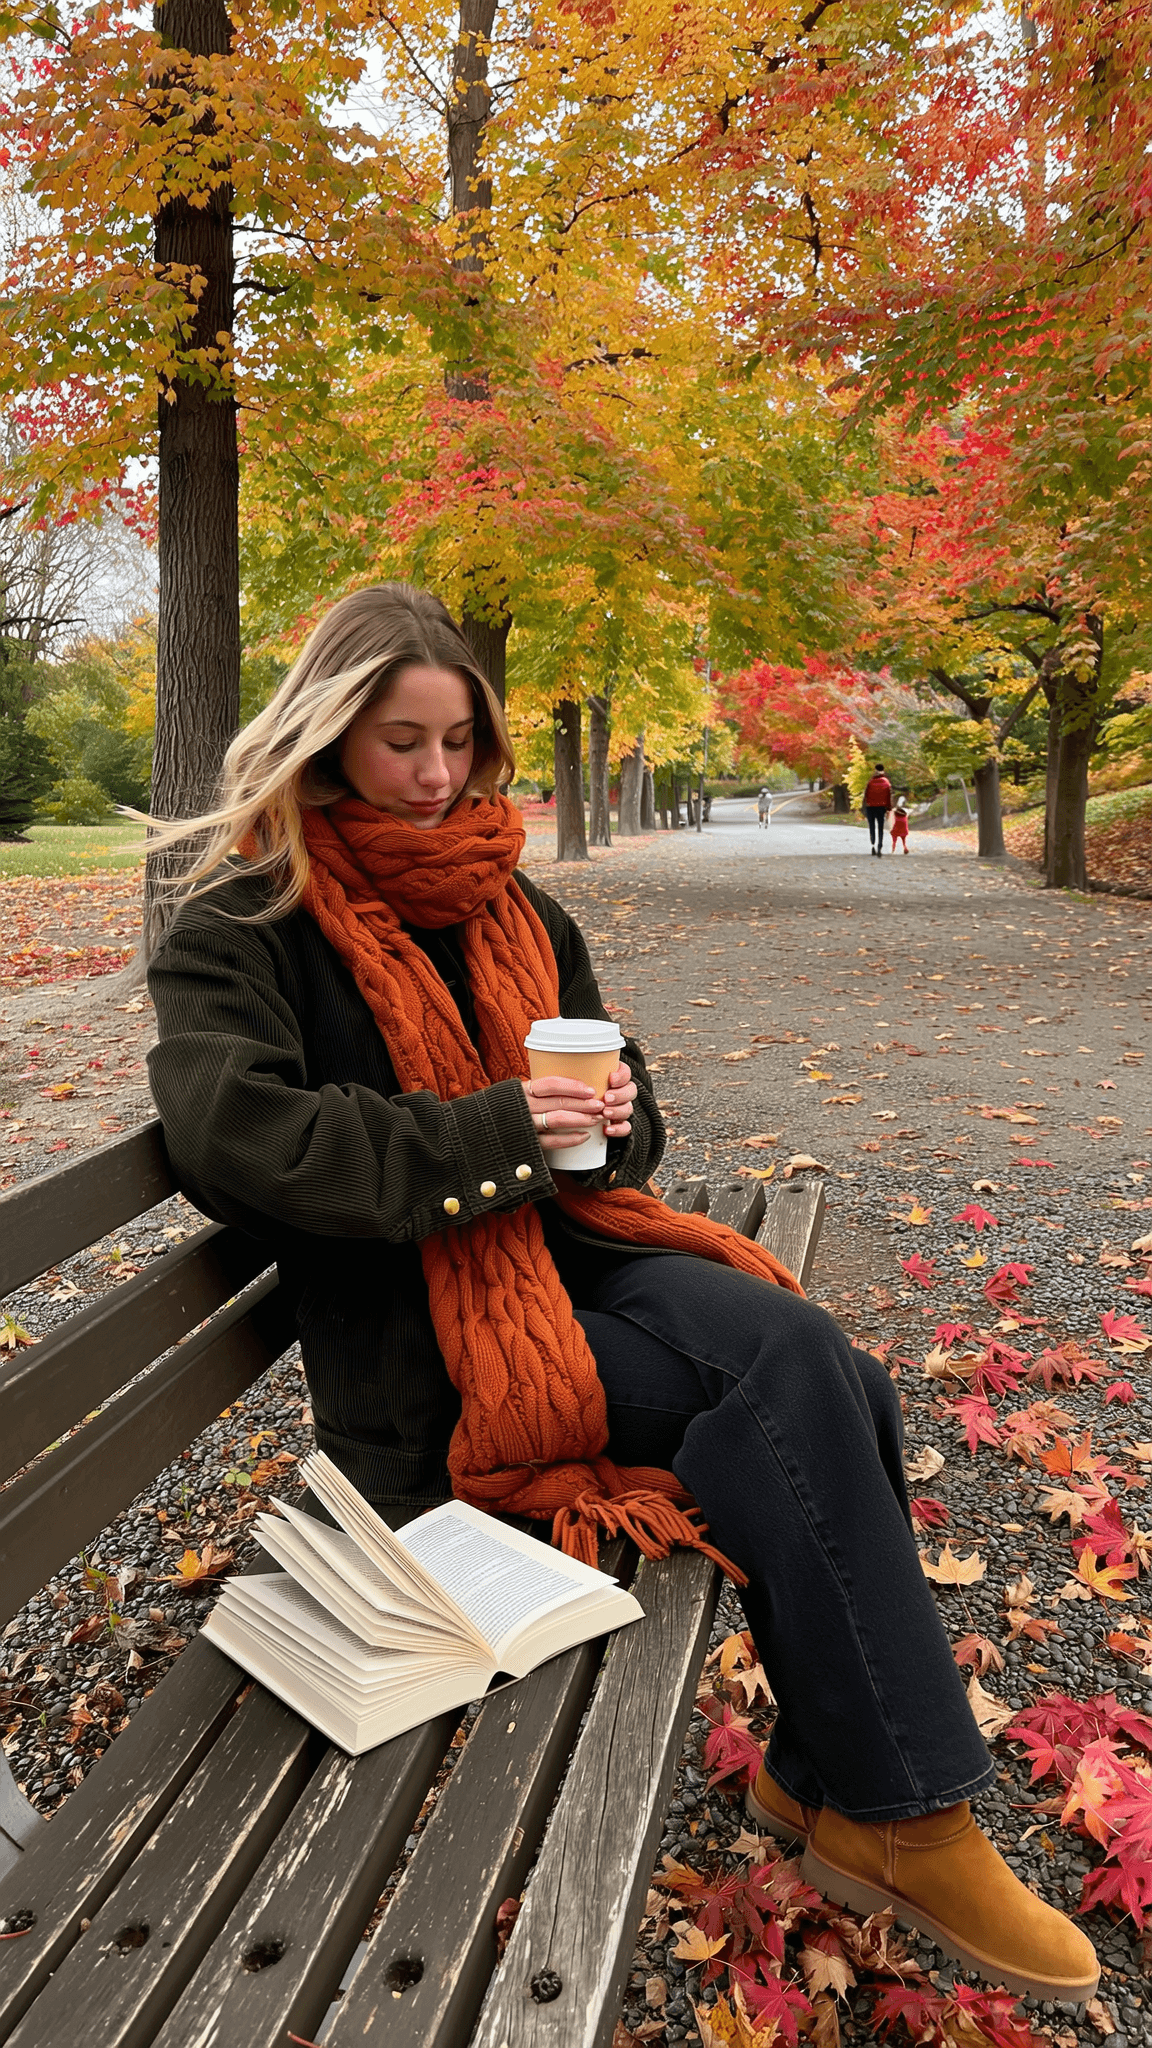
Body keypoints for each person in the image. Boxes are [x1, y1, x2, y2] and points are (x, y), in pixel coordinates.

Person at [144, 584, 1096, 2007]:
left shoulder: (505, 895)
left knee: (817, 1360)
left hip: (574, 1257)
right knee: (781, 1385)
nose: (437, 775)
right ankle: (907, 1817)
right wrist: (511, 1133)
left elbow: (621, 1116)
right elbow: (245, 1144)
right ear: (328, 732)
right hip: (427, 1334)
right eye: (403, 741)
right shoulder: (245, 915)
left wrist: (607, 1117)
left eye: (459, 740)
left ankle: (834, 1786)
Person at [862, 762, 892, 856]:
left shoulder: (870, 782)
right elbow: (888, 797)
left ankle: (873, 845)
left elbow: (866, 795)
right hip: (881, 807)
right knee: (880, 827)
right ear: (883, 771)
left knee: (872, 826)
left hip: (870, 807)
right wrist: (888, 809)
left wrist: (864, 807)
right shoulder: (886, 782)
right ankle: (880, 846)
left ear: (875, 770)